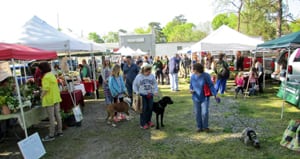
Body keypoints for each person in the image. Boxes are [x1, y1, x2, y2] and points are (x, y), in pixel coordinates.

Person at [189, 63, 218, 132]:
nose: (192, 70)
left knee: (205, 112)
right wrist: (191, 90)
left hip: (204, 97)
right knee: (197, 113)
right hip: (196, 97)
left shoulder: (206, 75)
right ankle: (199, 127)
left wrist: (215, 94)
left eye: (193, 69)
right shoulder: (192, 76)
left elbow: (211, 85)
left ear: (197, 69)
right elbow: (191, 86)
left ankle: (205, 127)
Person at [39, 62, 63, 142]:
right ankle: (60, 131)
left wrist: (41, 96)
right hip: (56, 97)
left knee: (51, 118)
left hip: (49, 99)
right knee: (58, 115)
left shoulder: (45, 77)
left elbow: (46, 89)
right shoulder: (52, 74)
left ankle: (51, 134)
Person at [133, 63, 158, 129]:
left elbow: (155, 84)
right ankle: (143, 123)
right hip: (142, 95)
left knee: (150, 108)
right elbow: (134, 85)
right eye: (147, 71)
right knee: (143, 109)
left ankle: (148, 121)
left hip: (150, 94)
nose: (148, 73)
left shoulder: (152, 76)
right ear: (143, 70)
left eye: (150, 71)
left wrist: (155, 91)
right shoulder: (139, 77)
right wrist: (137, 92)